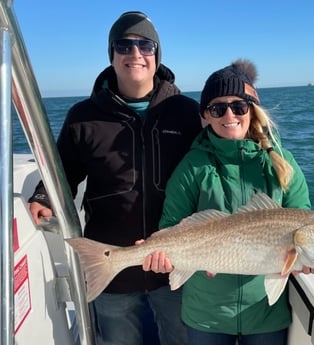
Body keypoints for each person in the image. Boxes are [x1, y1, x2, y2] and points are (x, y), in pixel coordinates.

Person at [28, 11, 202, 345]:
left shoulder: (185, 112)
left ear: (157, 55)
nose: (135, 53)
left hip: (175, 266)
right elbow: (65, 169)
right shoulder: (84, 116)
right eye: (124, 45)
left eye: (145, 45)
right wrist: (44, 197)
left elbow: (209, 167)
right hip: (111, 266)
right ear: (111, 54)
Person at [143, 59, 314, 345]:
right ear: (206, 115)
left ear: (252, 109)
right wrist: (164, 254)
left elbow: (300, 220)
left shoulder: (282, 163)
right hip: (206, 313)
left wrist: (309, 257)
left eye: (239, 106)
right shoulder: (193, 167)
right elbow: (170, 225)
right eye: (218, 108)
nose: (229, 114)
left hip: (266, 312)